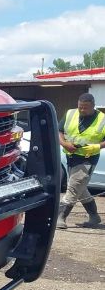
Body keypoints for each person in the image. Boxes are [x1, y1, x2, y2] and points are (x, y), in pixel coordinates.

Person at [57, 92, 105, 228]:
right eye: (80, 107)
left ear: (93, 107)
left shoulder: (102, 119)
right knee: (80, 188)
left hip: (88, 159)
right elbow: (59, 131)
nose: (82, 110)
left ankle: (61, 217)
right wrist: (64, 143)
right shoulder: (70, 113)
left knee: (73, 187)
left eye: (86, 108)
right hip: (71, 156)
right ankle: (94, 217)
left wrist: (97, 146)